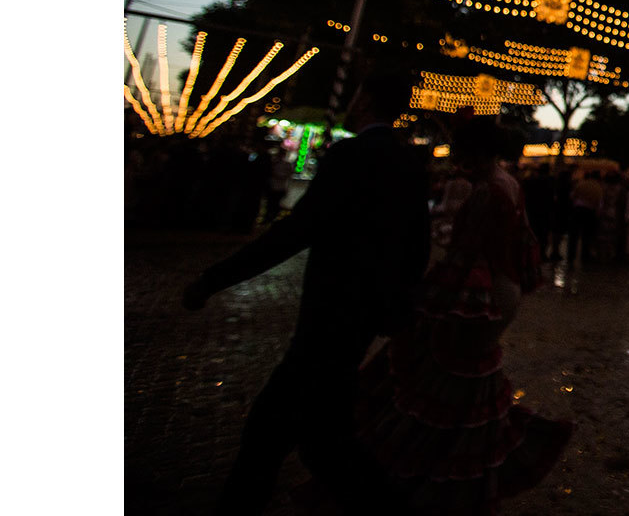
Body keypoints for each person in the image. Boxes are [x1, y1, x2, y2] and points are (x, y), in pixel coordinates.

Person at [180, 68, 429, 515]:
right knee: (323, 441)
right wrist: (397, 308)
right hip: (362, 318)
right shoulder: (410, 162)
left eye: (356, 93)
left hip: (330, 312)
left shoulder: (350, 154)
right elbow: (418, 245)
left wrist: (214, 279)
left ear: (367, 100)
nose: (352, 103)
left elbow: (297, 230)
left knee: (272, 431)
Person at [353, 116, 571, 512]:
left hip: (480, 294)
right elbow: (524, 246)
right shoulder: (508, 183)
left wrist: (437, 299)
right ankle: (460, 469)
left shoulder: (489, 191)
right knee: (465, 389)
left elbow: (471, 255)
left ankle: (430, 469)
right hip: (503, 290)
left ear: (472, 151)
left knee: (444, 383)